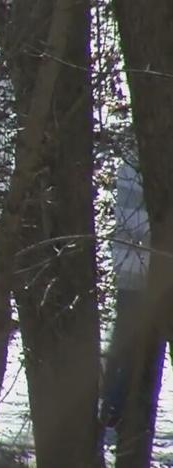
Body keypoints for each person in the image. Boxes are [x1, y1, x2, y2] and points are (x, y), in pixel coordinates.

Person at [101, 153, 152, 427]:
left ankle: (111, 402)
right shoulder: (149, 164)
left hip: (129, 262)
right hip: (147, 264)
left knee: (125, 337)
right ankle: (115, 405)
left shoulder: (130, 162)